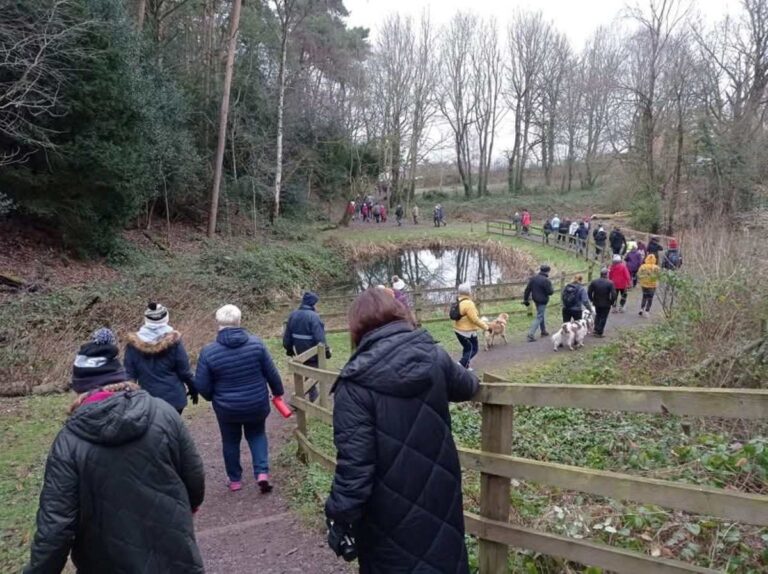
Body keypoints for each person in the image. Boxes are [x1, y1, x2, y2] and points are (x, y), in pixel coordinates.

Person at [25, 328, 205, 574]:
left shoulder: (68, 442)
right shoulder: (163, 413)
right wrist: (184, 511)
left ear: (81, 388)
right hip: (175, 556)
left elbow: (55, 526)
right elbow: (194, 478)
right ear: (119, 376)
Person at [325, 289, 478, 573]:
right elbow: (468, 386)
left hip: (387, 513)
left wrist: (338, 515)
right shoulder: (433, 354)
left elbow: (354, 466)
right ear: (399, 313)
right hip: (439, 492)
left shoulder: (355, 383)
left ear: (357, 327)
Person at [195, 305, 284, 493]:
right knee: (257, 434)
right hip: (256, 403)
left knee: (230, 441)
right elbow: (272, 373)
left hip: (227, 408)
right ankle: (261, 473)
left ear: (218, 324)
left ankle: (235, 480)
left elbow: (202, 385)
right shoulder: (256, 344)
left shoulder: (209, 352)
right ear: (239, 321)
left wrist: (213, 397)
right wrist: (278, 392)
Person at [124, 302, 198, 415]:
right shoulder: (174, 342)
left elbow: (130, 375)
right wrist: (193, 388)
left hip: (146, 400)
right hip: (174, 399)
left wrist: (129, 397)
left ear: (146, 320)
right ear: (166, 319)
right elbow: (184, 372)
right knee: (173, 431)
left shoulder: (133, 344)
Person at [283, 292, 331, 402]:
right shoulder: (314, 317)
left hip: (299, 352)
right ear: (312, 304)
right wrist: (327, 351)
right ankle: (305, 399)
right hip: (313, 352)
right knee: (314, 374)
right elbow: (320, 338)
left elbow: (287, 335)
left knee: (306, 373)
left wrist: (289, 348)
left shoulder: (293, 315)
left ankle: (307, 397)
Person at [453, 283, 489, 370]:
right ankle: (460, 365)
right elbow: (475, 320)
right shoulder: (469, 304)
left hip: (458, 330)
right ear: (469, 292)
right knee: (474, 349)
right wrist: (487, 327)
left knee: (467, 348)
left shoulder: (458, 301)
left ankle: (466, 365)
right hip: (466, 331)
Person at [524, 265, 554, 342]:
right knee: (539, 317)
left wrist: (525, 300)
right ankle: (530, 335)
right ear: (547, 271)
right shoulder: (546, 280)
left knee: (541, 314)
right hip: (543, 300)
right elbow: (550, 292)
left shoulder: (533, 278)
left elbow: (527, 290)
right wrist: (551, 287)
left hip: (536, 300)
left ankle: (543, 331)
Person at [588, 268, 617, 337]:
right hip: (606, 303)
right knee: (603, 317)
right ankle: (599, 331)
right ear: (606, 274)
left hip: (596, 302)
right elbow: (614, 294)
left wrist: (591, 299)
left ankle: (596, 329)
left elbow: (589, 292)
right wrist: (612, 302)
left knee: (598, 315)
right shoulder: (610, 283)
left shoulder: (594, 282)